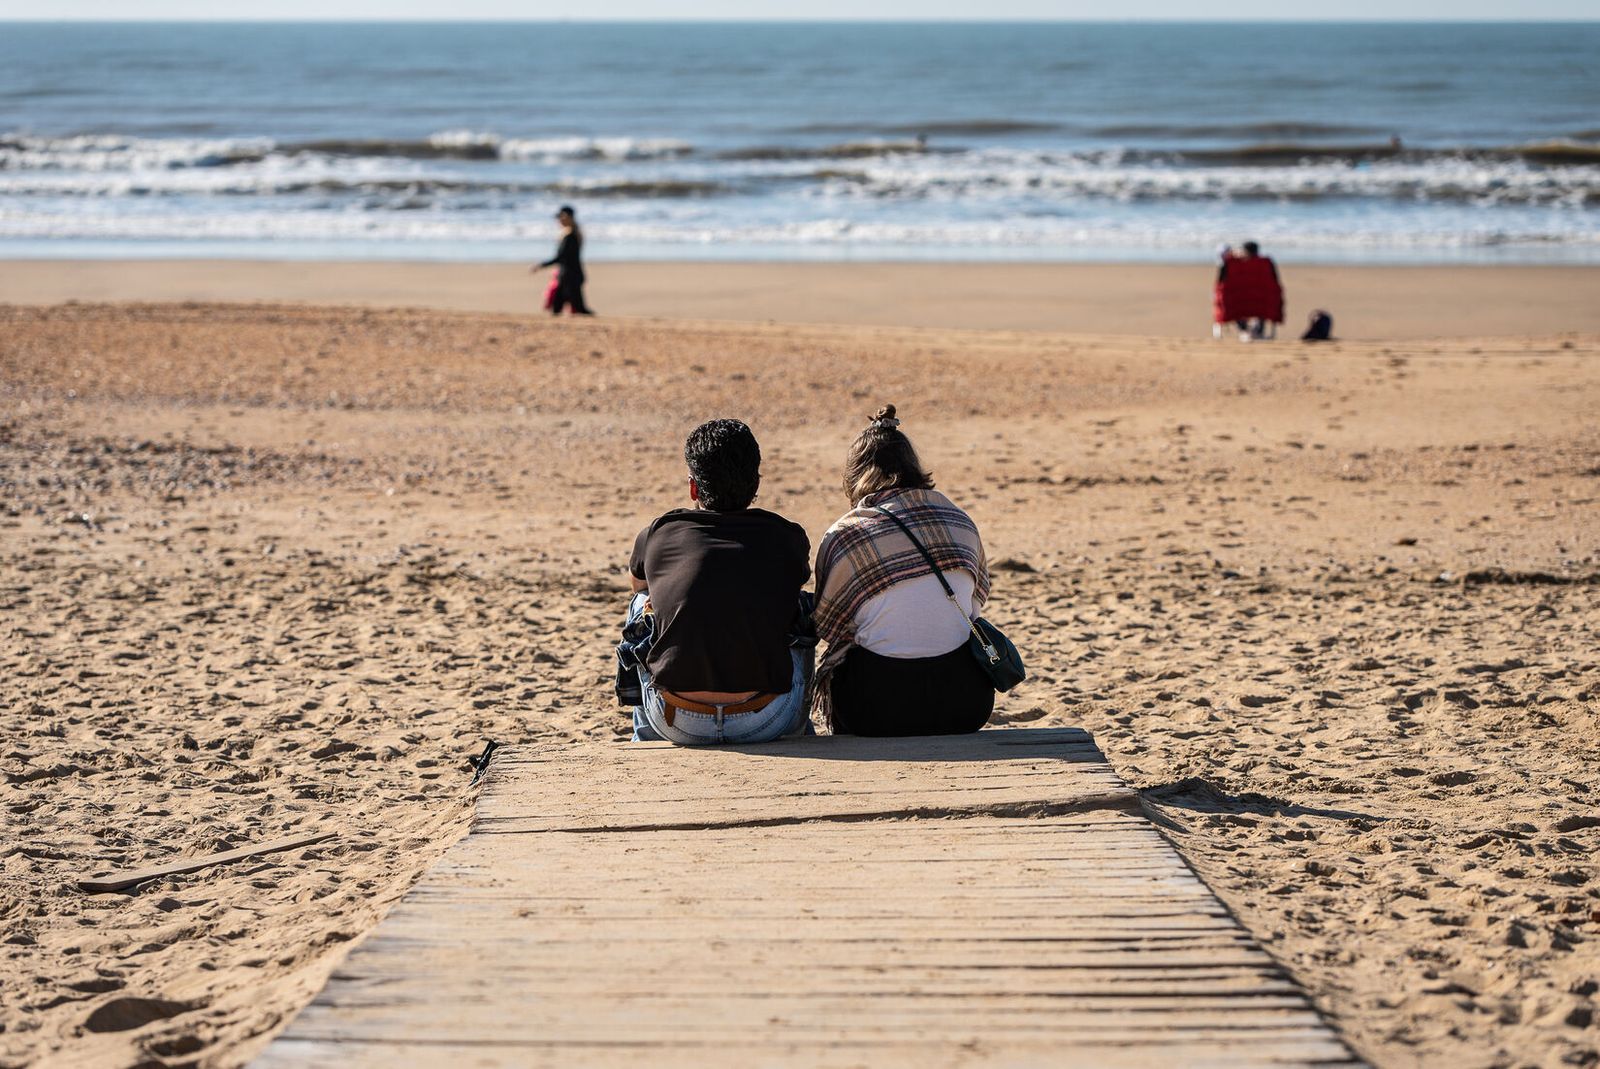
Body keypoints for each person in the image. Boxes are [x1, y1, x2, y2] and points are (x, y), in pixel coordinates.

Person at [617, 419, 813, 745]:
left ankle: (646, 738)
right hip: (765, 717)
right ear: (755, 484)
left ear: (694, 488)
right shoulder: (785, 536)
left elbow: (637, 585)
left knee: (641, 604)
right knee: (799, 607)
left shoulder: (659, 533)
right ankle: (800, 730)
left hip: (677, 718)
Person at [812, 405, 994, 737]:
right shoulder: (959, 520)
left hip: (877, 709)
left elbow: (827, 626)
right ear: (912, 465)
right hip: (966, 703)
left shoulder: (845, 534)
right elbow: (976, 604)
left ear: (855, 476)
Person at [1215, 240, 1284, 341]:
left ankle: (1246, 330)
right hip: (1260, 296)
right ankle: (1256, 330)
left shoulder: (1233, 263)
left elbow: (1221, 280)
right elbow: (1275, 279)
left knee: (1238, 307)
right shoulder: (1266, 263)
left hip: (1244, 297)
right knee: (1260, 307)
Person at [531, 204, 592, 316]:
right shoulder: (573, 233)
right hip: (569, 275)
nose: (559, 220)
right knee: (560, 308)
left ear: (568, 217)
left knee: (578, 310)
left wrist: (541, 265)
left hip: (570, 277)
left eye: (561, 217)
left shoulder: (570, 236)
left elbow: (561, 258)